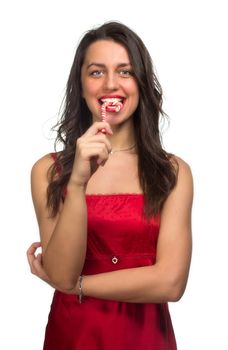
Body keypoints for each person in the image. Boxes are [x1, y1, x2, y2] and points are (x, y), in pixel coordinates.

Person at [27, 21, 193, 350]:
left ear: (141, 83)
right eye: (97, 72)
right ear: (81, 83)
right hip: (74, 336)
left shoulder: (172, 172)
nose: (111, 84)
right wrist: (77, 181)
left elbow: (171, 283)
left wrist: (79, 287)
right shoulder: (49, 170)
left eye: (125, 71)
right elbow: (61, 273)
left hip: (145, 338)